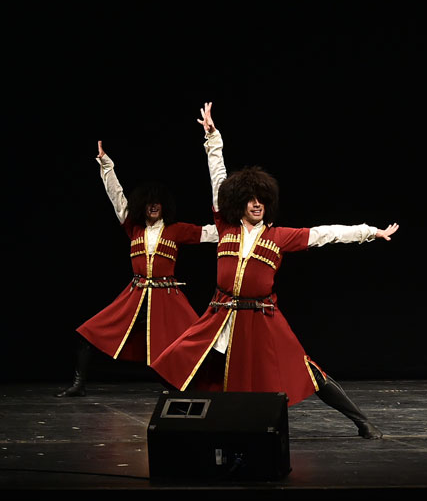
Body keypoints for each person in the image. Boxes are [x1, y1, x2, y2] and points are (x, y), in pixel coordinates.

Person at [151, 103, 398, 439]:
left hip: (263, 317)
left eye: (261, 200)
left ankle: (361, 421)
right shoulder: (225, 228)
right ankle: (200, 423)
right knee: (181, 361)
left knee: (307, 371)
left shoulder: (280, 237)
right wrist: (212, 139)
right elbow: (217, 178)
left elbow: (326, 233)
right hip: (221, 315)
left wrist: (369, 232)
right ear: (238, 202)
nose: (257, 204)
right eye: (250, 199)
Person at [56, 141, 219, 397]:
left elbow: (214, 233)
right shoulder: (134, 228)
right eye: (148, 203)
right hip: (135, 295)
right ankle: (79, 385)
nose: (153, 206)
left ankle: (195, 385)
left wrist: (241, 227)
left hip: (167, 298)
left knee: (194, 340)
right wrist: (106, 166)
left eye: (157, 203)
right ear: (142, 205)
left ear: (164, 206)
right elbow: (117, 198)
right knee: (88, 334)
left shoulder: (177, 230)